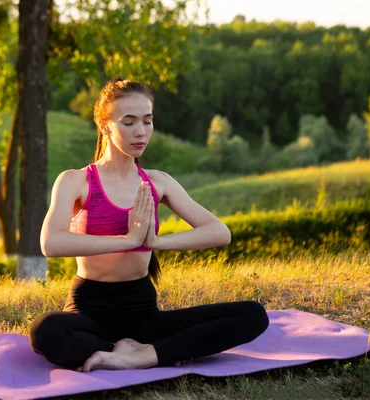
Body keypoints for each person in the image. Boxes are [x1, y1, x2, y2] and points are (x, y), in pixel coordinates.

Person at [29, 78, 269, 373]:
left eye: (147, 121)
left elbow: (219, 232)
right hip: (89, 312)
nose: (141, 132)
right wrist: (128, 240)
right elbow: (51, 243)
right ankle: (146, 352)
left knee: (253, 315)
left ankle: (142, 355)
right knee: (46, 332)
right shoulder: (75, 181)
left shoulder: (158, 182)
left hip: (142, 313)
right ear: (105, 125)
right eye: (128, 122)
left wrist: (154, 242)